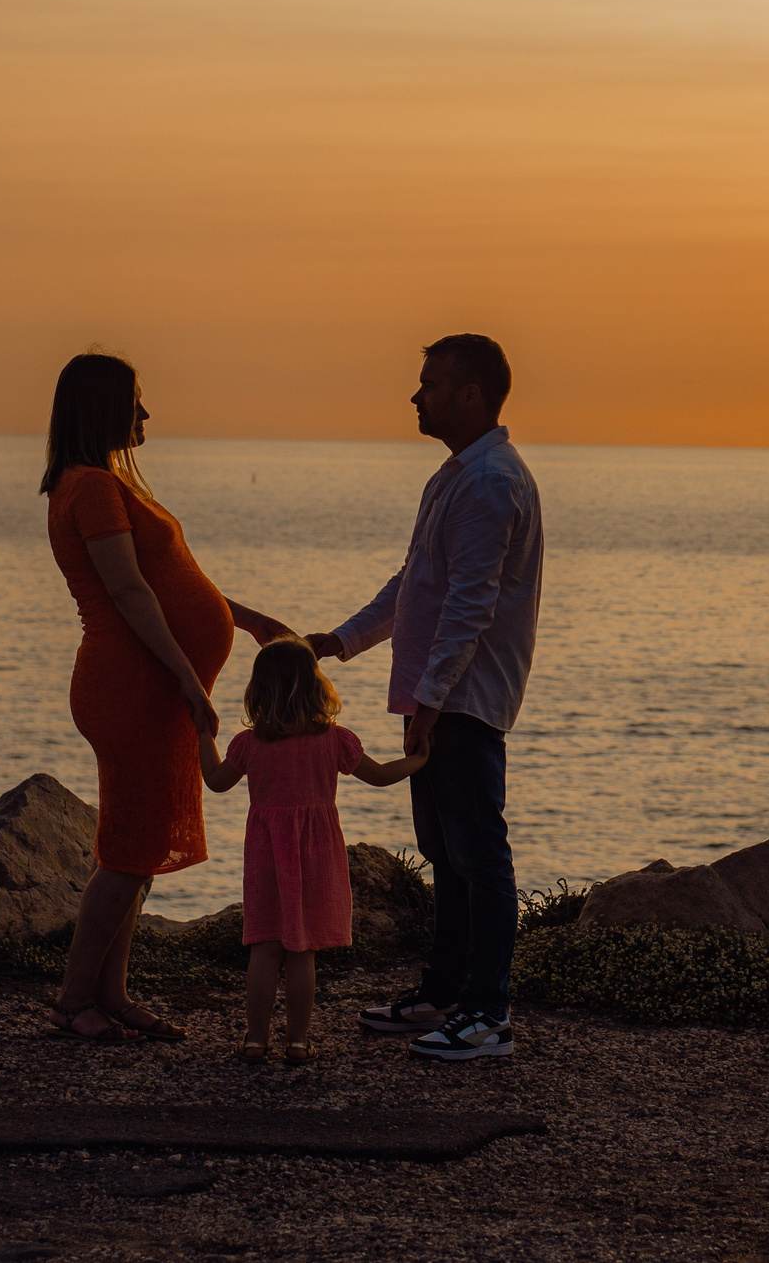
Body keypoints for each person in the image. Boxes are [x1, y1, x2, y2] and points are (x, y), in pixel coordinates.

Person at [40, 351, 293, 1044]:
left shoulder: (104, 481)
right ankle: (71, 999)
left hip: (148, 682)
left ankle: (110, 991)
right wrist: (186, 674)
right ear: (103, 409)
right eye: (136, 402)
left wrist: (245, 618)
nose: (147, 415)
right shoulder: (89, 486)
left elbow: (172, 580)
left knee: (138, 848)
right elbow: (128, 592)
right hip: (133, 687)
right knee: (126, 852)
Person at [308, 333, 543, 1062]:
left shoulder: (489, 483)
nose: (416, 395)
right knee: (445, 852)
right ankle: (445, 993)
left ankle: (487, 1015)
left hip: (462, 699)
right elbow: (416, 586)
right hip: (436, 696)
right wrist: (339, 641)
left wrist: (433, 699)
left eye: (430, 383)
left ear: (470, 393)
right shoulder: (456, 477)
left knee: (480, 854)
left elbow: (469, 604)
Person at [198, 636, 426, 1065]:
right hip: (316, 855)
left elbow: (215, 780)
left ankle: (254, 1041)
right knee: (302, 951)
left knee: (264, 948)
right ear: (315, 685)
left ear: (259, 691)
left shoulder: (249, 745)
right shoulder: (335, 741)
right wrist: (420, 759)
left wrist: (201, 734)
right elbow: (378, 776)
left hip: (266, 855)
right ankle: (298, 1043)